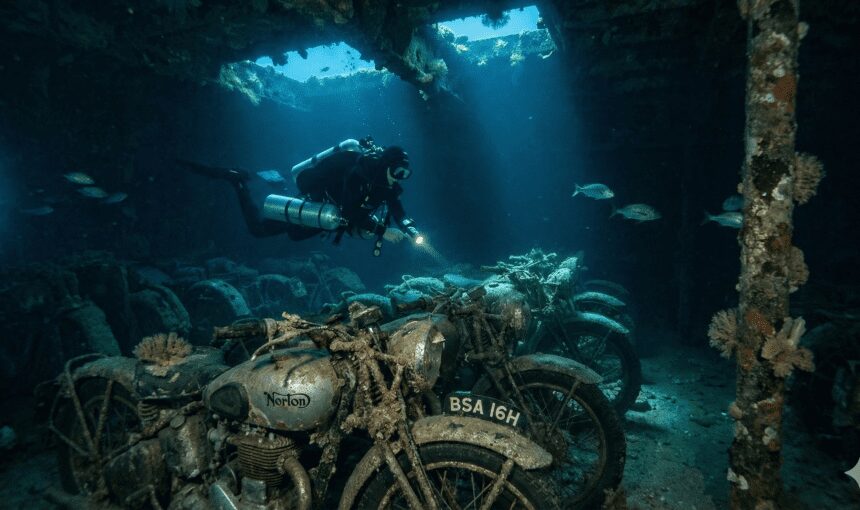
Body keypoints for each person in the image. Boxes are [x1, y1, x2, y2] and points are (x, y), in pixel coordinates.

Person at [179, 138, 420, 256]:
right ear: (386, 165)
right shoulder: (358, 172)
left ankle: (273, 182)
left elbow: (397, 208)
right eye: (398, 171)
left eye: (406, 174)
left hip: (327, 215)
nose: (400, 178)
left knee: (294, 234)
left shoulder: (384, 183)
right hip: (318, 203)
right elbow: (349, 210)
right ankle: (239, 182)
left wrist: (411, 229)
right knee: (259, 230)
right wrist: (382, 231)